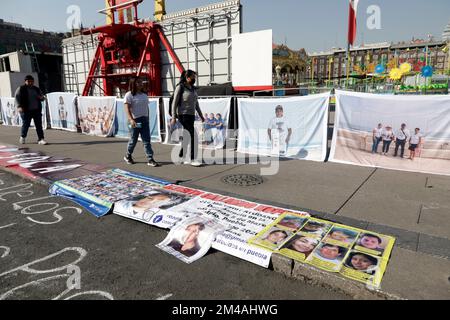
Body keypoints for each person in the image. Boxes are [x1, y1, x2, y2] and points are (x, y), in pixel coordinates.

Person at [171, 70, 205, 167]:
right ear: (187, 77)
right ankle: (193, 159)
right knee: (193, 135)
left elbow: (196, 103)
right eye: (193, 77)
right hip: (183, 115)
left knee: (187, 136)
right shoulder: (180, 87)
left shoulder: (193, 89)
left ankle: (181, 156)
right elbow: (174, 102)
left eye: (195, 77)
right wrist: (174, 116)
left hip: (191, 115)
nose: (194, 79)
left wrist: (201, 115)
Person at [123, 78, 160, 167]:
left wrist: (147, 118)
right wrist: (131, 119)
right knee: (133, 140)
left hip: (144, 120)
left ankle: (150, 159)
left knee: (146, 140)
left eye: (141, 82)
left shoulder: (144, 95)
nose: (141, 84)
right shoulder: (129, 95)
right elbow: (126, 108)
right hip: (135, 121)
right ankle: (128, 155)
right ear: (133, 84)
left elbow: (146, 107)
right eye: (138, 82)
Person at [14, 75, 47, 145]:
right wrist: (19, 106)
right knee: (26, 125)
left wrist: (42, 98)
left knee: (39, 125)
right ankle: (23, 137)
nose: (30, 83)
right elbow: (16, 98)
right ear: (25, 81)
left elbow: (42, 97)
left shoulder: (36, 89)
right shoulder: (21, 89)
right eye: (28, 81)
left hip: (36, 110)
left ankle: (41, 139)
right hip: (26, 110)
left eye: (31, 81)